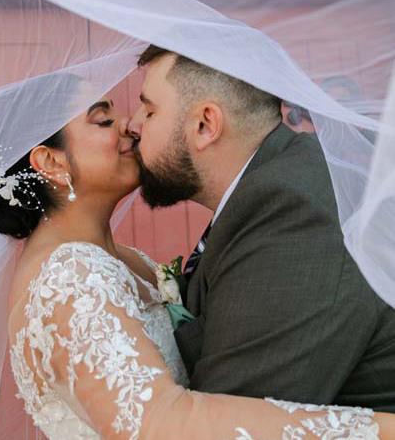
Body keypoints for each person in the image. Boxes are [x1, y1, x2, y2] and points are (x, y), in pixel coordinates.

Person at [0, 87, 395, 440]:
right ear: (52, 162)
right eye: (102, 120)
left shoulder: (122, 260)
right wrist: (378, 428)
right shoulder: (68, 279)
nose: (129, 125)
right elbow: (158, 426)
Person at [126, 45, 395, 411]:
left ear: (205, 125)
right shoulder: (271, 185)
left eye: (150, 109)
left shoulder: (293, 212)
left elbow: (234, 419)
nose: (133, 124)